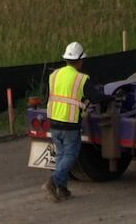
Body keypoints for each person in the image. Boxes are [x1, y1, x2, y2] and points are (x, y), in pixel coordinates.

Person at [45, 41, 103, 202]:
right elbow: (96, 98)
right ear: (80, 60)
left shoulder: (54, 75)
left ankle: (62, 189)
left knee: (61, 155)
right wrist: (109, 98)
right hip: (70, 123)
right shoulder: (81, 78)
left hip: (54, 121)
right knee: (70, 155)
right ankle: (53, 181)